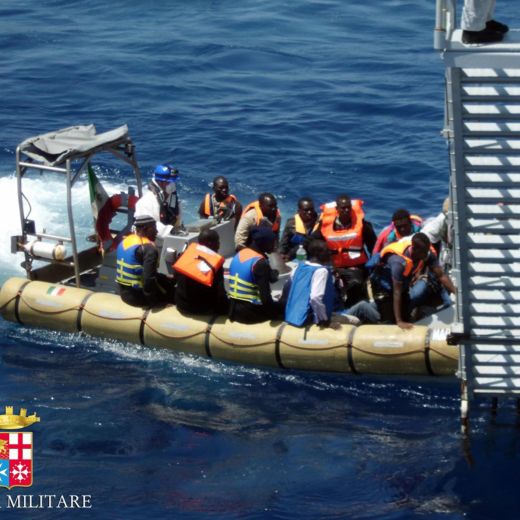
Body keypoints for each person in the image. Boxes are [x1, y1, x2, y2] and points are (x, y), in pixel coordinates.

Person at [370, 233, 456, 330]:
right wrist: (399, 321)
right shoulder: (398, 262)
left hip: (401, 284)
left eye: (427, 250)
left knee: (406, 315)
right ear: (414, 249)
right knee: (390, 322)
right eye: (424, 252)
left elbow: (441, 275)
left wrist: (457, 293)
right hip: (382, 286)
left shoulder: (425, 254)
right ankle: (363, 308)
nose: (426, 254)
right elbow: (397, 292)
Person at [314, 194, 377, 306]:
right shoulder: (325, 226)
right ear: (337, 209)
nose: (346, 210)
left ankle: (352, 308)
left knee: (356, 284)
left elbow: (373, 246)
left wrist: (374, 265)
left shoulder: (363, 226)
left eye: (348, 207)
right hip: (333, 266)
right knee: (325, 285)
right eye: (343, 208)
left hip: (355, 266)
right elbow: (313, 242)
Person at [116, 214, 175, 307]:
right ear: (146, 229)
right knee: (174, 293)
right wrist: (153, 302)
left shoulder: (124, 242)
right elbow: (148, 279)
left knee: (165, 279)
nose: (157, 231)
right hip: (138, 297)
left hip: (124, 293)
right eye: (154, 228)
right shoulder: (149, 249)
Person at [228, 226, 284, 323]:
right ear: (263, 243)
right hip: (249, 314)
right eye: (272, 242)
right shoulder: (260, 263)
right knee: (285, 305)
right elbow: (265, 299)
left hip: (233, 310)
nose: (274, 245)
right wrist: (275, 313)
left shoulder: (239, 254)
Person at [173, 229, 228, 315]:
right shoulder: (215, 264)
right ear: (210, 243)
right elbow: (220, 293)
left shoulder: (184, 255)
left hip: (181, 305)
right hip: (201, 308)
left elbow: (175, 277)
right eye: (217, 242)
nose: (219, 245)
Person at [284, 240, 336, 327]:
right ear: (319, 254)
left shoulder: (298, 267)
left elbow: (288, 287)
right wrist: (324, 319)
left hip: (292, 316)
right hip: (313, 318)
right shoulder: (321, 271)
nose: (330, 253)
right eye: (327, 251)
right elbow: (315, 298)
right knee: (355, 319)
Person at [134, 164, 182, 238]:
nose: (172, 184)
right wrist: (171, 231)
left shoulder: (172, 198)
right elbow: (148, 226)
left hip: (171, 238)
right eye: (169, 182)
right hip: (151, 240)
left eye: (173, 182)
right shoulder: (145, 202)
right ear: (159, 182)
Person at [279, 197, 319, 261]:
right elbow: (284, 243)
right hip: (295, 255)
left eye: (311, 209)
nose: (309, 212)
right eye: (306, 210)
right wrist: (282, 254)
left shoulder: (319, 222)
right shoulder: (291, 223)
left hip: (313, 256)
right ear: (299, 211)